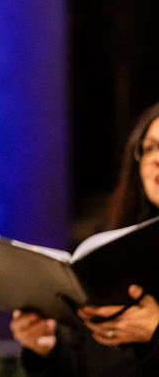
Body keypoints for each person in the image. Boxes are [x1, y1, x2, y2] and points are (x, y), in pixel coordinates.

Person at [10, 101, 159, 375]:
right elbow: (87, 366)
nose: (156, 159)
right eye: (149, 147)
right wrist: (48, 351)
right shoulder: (111, 246)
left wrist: (154, 332)